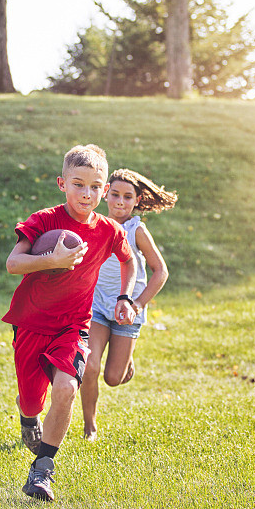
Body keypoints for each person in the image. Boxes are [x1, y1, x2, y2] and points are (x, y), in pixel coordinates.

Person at [2, 145, 137, 502]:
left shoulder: (109, 230)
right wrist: (51, 259)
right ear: (63, 184)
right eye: (78, 184)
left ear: (104, 190)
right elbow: (13, 264)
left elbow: (130, 262)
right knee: (32, 401)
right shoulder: (44, 220)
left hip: (73, 327)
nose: (87, 194)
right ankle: (28, 416)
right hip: (30, 323)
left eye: (95, 187)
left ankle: (42, 471)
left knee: (66, 388)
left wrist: (126, 296)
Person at [80, 169, 177, 441]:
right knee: (89, 366)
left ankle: (126, 360)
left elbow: (161, 271)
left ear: (137, 200)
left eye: (127, 197)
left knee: (113, 378)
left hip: (127, 312)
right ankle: (90, 425)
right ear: (106, 192)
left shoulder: (136, 230)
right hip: (98, 308)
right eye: (115, 195)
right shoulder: (95, 223)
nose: (120, 202)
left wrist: (137, 304)